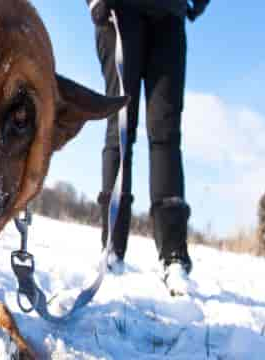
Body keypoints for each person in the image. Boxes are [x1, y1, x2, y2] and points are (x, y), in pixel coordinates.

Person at [86, 0, 209, 295]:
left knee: (166, 132)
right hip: (120, 11)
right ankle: (112, 249)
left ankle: (174, 257)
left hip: (169, 15)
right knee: (121, 125)